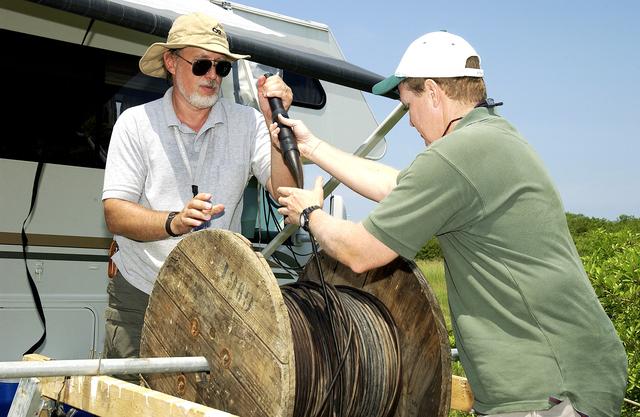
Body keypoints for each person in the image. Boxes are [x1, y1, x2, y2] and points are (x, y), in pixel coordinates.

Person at [272, 31, 627, 417]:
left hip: (547, 390)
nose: (409, 122)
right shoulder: (491, 138)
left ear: (433, 93)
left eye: (409, 106)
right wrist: (313, 147)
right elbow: (399, 187)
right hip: (569, 375)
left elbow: (359, 253)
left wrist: (311, 214)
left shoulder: (457, 155)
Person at [101, 12, 296, 367]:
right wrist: (174, 221)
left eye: (221, 68)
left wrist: (274, 126)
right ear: (171, 62)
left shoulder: (249, 122)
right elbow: (115, 212)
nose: (212, 76)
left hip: (216, 296)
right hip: (140, 290)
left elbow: (286, 194)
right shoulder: (135, 123)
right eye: (202, 64)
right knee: (125, 399)